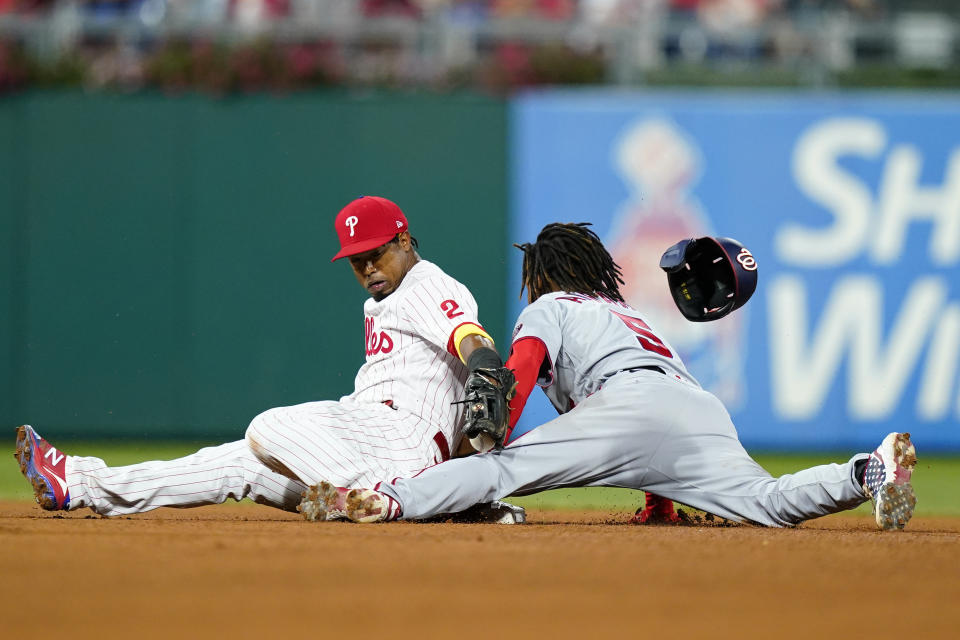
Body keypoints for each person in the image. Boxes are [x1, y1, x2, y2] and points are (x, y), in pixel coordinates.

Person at [298, 222, 918, 531]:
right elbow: (655, 430)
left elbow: (514, 386)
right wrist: (659, 502)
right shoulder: (629, 314)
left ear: (543, 273)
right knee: (767, 503)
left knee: (498, 467)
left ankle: (386, 499)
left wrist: (488, 443)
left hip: (623, 401)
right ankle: (868, 471)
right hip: (695, 407)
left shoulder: (548, 306)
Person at [15, 195, 524, 523]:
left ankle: (390, 500)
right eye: (356, 258)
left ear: (405, 240)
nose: (367, 266)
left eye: (377, 252)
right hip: (367, 439)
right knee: (238, 462)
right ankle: (80, 484)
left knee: (267, 427)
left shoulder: (426, 283)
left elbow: (471, 339)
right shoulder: (384, 298)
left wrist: (483, 367)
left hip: (398, 443)